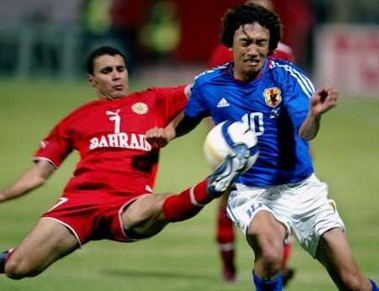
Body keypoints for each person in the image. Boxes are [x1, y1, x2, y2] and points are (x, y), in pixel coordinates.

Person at [145, 4, 378, 291]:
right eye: (246, 42)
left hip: (302, 189)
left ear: (270, 47)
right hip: (251, 192)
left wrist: (315, 114)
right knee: (270, 254)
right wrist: (167, 133)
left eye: (261, 43)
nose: (253, 50)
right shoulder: (210, 84)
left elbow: (305, 132)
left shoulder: (287, 77)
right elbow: (190, 116)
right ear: (230, 43)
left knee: (353, 283)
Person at [0, 45, 251, 280]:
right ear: (92, 80)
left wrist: (237, 67)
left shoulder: (153, 100)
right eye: (107, 71)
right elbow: (38, 175)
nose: (116, 76)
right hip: (79, 203)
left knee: (157, 205)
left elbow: (199, 89)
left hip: (129, 201)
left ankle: (211, 186)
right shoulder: (76, 119)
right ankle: (10, 255)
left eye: (121, 69)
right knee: (17, 268)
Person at [206, 0, 295, 284]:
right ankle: (229, 268)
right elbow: (211, 93)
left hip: (275, 145)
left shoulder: (285, 53)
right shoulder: (226, 50)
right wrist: (220, 137)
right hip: (236, 141)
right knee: (226, 200)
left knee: (285, 204)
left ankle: (278, 266)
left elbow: (291, 101)